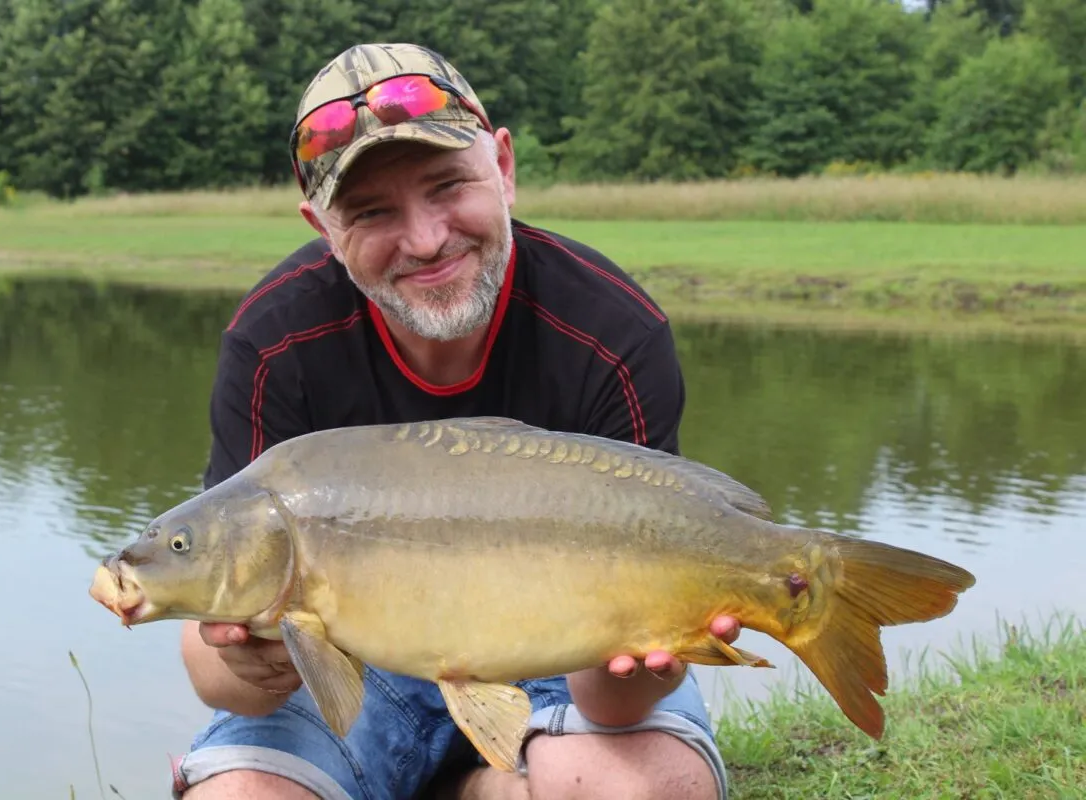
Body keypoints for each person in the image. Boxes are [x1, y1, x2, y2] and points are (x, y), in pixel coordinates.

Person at [170, 42, 742, 800]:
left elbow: (610, 699)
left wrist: (629, 669)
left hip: (557, 646)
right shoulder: (273, 344)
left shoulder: (614, 332)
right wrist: (244, 665)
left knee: (649, 788)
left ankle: (477, 783)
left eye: (447, 187)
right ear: (322, 226)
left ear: (503, 167)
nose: (427, 239)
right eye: (371, 212)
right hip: (350, 660)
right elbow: (214, 673)